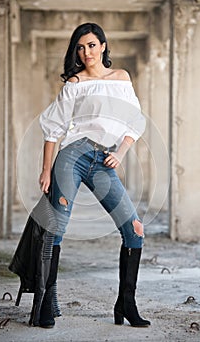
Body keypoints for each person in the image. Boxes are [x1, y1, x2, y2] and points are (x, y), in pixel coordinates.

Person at [38, 22, 150, 328]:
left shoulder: (121, 78)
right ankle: (46, 302)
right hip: (72, 157)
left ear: (103, 46)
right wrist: (46, 170)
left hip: (104, 160)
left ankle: (126, 304)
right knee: (56, 229)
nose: (86, 52)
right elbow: (54, 130)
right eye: (80, 47)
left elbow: (134, 120)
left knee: (135, 230)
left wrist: (121, 153)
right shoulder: (74, 83)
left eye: (91, 45)